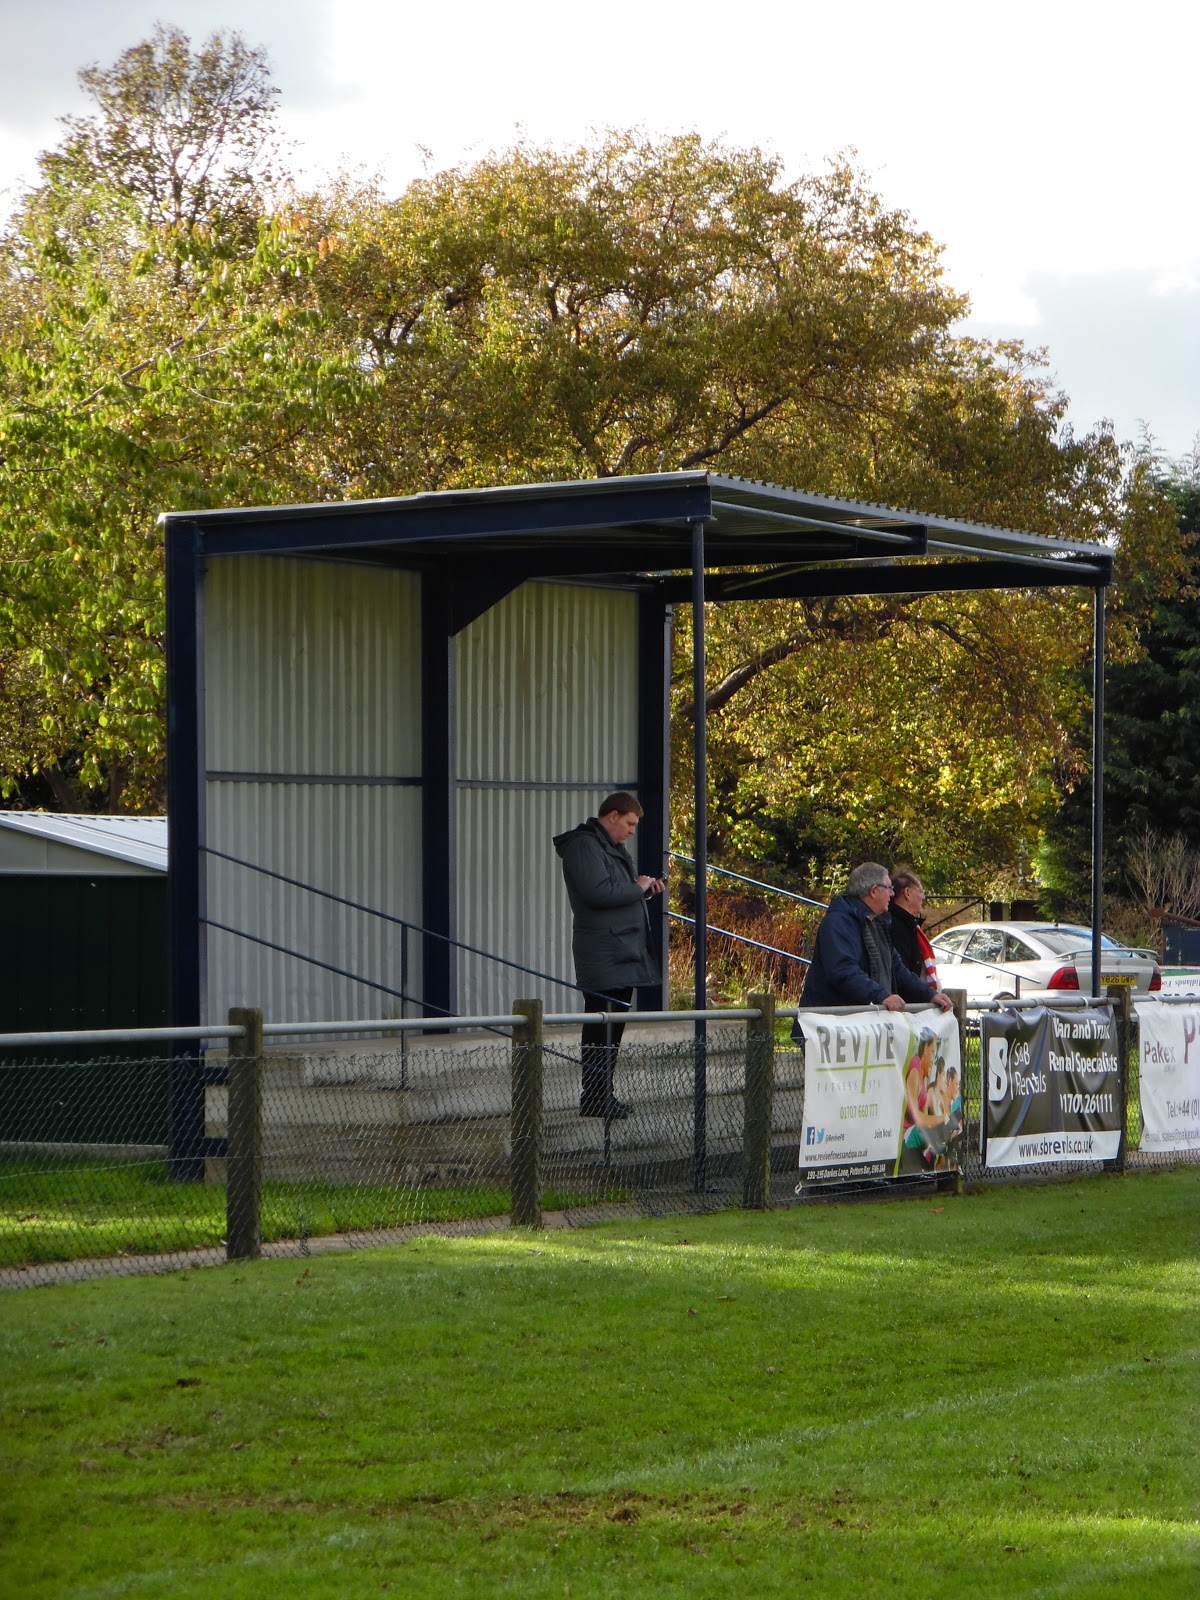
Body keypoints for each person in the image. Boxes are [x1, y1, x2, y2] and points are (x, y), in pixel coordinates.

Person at [553, 792, 666, 1119]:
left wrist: (645, 891)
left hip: (622, 950)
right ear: (612, 816)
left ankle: (603, 1094)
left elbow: (618, 893)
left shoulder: (612, 847)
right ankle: (594, 1096)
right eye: (629, 823)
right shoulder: (584, 845)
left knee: (613, 1027)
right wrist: (637, 888)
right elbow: (597, 892)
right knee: (600, 1026)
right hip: (603, 951)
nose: (632, 830)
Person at [799, 862, 953, 1013]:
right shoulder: (838, 923)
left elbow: (897, 968)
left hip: (857, 1026)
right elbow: (843, 970)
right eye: (888, 888)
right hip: (829, 1027)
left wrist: (929, 994)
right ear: (873, 891)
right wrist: (880, 995)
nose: (892, 894)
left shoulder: (878, 923)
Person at [888, 870, 939, 990]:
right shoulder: (894, 926)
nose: (923, 897)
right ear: (907, 893)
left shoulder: (908, 925)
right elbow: (901, 971)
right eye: (921, 892)